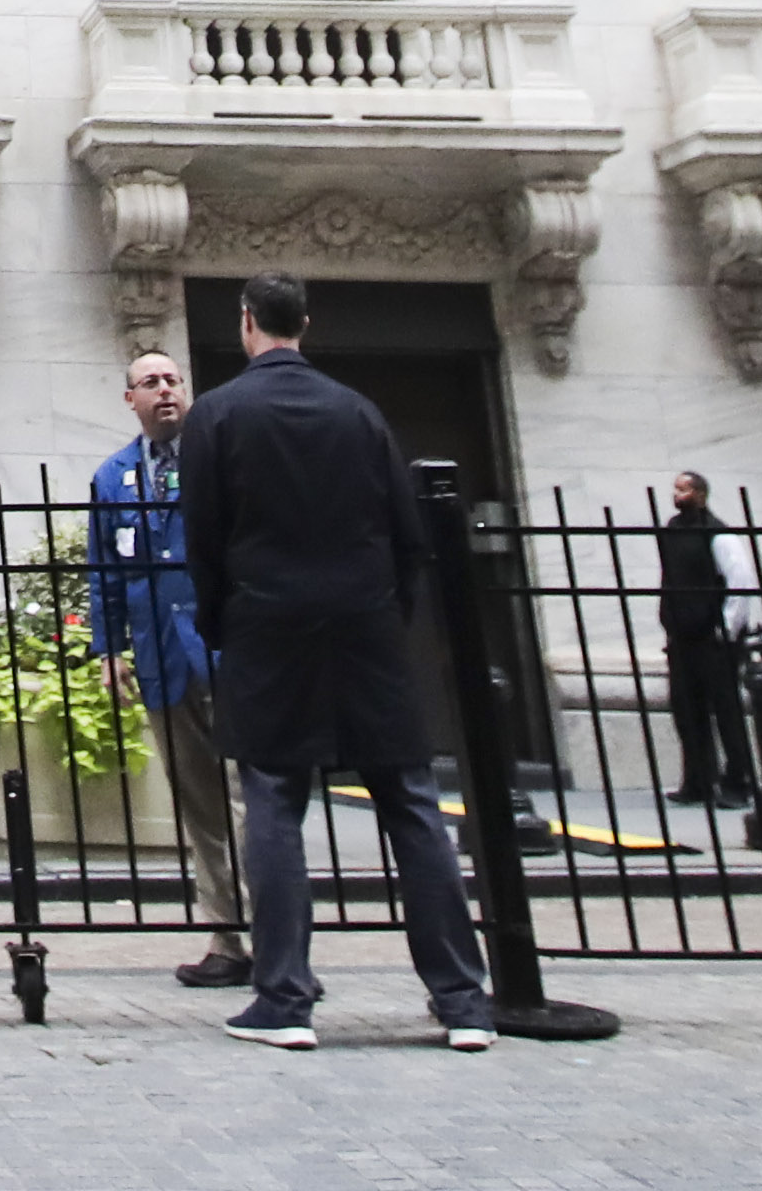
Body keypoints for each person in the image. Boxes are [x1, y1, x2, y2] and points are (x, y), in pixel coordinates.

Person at [177, 272, 493, 1053]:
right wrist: (385, 614)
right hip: (365, 624)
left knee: (274, 804)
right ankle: (462, 1000)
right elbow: (406, 533)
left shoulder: (218, 413)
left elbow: (202, 538)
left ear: (247, 322)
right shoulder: (359, 411)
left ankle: (285, 998)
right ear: (305, 324)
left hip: (266, 623)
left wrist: (224, 622)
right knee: (411, 805)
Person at [85, 346, 251, 985]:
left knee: (248, 797)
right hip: (161, 656)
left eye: (172, 379)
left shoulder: (219, 460)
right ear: (131, 399)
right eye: (149, 382)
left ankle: (275, 937)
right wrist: (110, 649)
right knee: (200, 806)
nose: (164, 390)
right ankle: (226, 939)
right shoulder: (113, 476)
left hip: (227, 648)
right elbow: (105, 570)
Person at [658, 470, 754, 809]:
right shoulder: (672, 531)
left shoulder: (718, 534)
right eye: (675, 488)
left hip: (713, 639)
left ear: (700, 494)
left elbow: (740, 581)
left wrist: (726, 629)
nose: (676, 494)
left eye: (683, 489)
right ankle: (697, 780)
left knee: (726, 711)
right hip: (681, 636)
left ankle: (738, 781)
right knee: (687, 710)